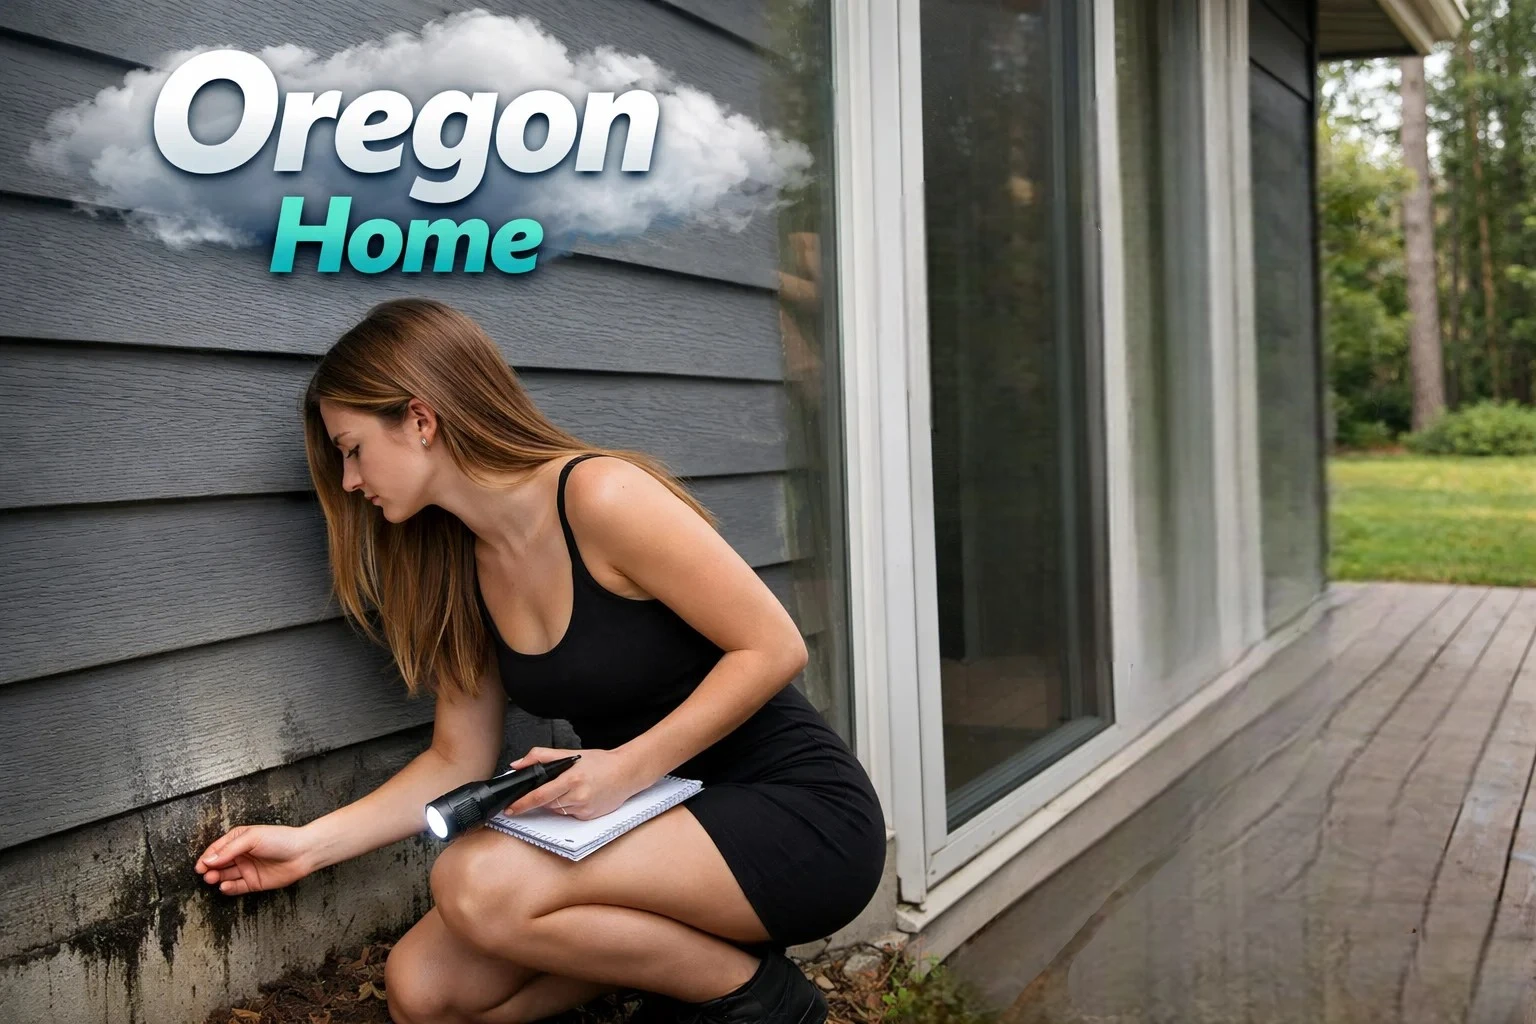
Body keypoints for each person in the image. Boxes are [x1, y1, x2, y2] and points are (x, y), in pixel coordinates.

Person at [191, 297, 887, 1024]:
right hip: (647, 818)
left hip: (794, 810)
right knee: (426, 991)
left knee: (476, 882)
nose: (348, 483)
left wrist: (624, 767)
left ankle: (760, 1000)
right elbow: (457, 760)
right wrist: (308, 847)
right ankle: (692, 961)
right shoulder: (461, 565)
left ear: (421, 420)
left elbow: (773, 646)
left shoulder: (600, 495)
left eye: (352, 448)